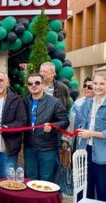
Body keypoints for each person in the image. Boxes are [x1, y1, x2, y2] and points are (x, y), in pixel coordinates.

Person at [23, 73, 69, 182]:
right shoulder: (24, 101)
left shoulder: (54, 102)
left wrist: (52, 126)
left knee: (46, 179)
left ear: (43, 85)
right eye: (30, 83)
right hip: (29, 147)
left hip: (47, 147)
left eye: (37, 83)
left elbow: (65, 121)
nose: (33, 85)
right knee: (30, 178)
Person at [76, 71, 106, 201]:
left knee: (102, 190)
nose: (97, 86)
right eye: (95, 83)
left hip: (102, 153)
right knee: (85, 187)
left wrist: (91, 133)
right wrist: (81, 130)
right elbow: (82, 122)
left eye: (102, 83)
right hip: (85, 149)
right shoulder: (87, 103)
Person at [66, 77, 94, 150]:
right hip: (76, 141)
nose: (86, 88)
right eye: (85, 86)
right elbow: (71, 122)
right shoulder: (76, 104)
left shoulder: (98, 106)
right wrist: (66, 139)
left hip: (92, 144)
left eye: (90, 87)